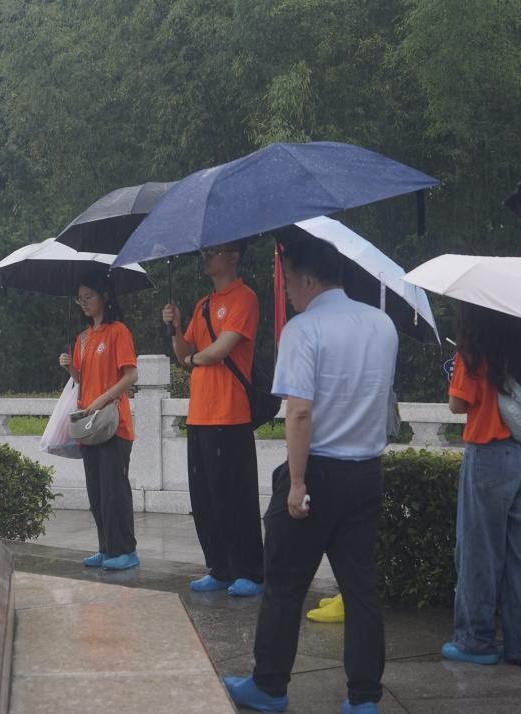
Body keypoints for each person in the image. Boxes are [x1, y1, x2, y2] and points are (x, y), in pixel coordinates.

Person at [223, 237, 397, 714]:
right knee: (361, 589)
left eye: (288, 282)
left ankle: (269, 687)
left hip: (317, 471)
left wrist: (297, 483)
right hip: (366, 472)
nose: (287, 292)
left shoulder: (303, 329)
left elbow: (299, 412)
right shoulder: (382, 325)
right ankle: (364, 697)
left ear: (307, 279)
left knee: (284, 584)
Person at [441, 302, 521, 670]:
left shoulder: (474, 350)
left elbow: (458, 404)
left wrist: (455, 374)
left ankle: (476, 641)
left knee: (479, 552)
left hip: (488, 455)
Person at [162, 239, 265, 597]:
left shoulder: (245, 298)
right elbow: (184, 354)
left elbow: (219, 351)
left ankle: (250, 570)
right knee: (205, 498)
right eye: (205, 252)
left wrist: (193, 360)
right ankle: (219, 567)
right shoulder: (203, 304)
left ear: (234, 256)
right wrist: (176, 328)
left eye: (214, 252)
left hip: (230, 414)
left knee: (235, 496)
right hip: (200, 414)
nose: (206, 258)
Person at [59, 272, 140, 570]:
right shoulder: (82, 338)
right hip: (89, 424)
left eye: (89, 297)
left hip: (113, 423)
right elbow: (82, 379)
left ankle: (126, 551)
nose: (84, 303)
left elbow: (131, 375)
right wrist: (69, 368)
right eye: (80, 299)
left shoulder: (118, 331)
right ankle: (106, 548)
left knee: (114, 490)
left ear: (104, 296)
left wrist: (103, 399)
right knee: (96, 491)